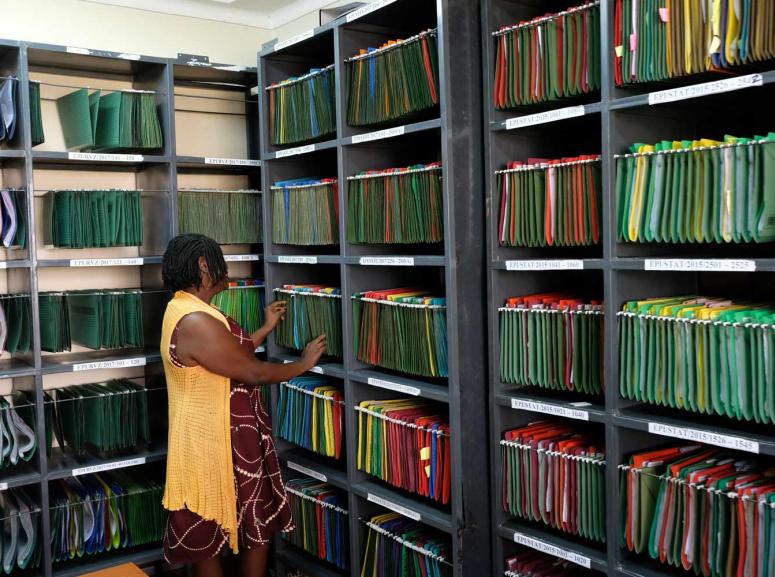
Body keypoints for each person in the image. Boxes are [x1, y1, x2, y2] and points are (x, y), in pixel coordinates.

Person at [159, 234, 326, 577]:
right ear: (204, 266)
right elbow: (249, 370)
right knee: (228, 535)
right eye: (219, 260)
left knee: (230, 530)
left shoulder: (186, 309)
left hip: (216, 439)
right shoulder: (194, 320)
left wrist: (265, 328)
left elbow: (225, 358)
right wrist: (303, 365)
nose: (226, 268)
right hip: (214, 445)